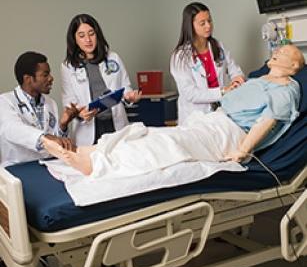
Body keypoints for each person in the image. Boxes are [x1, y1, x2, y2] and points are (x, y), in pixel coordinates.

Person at [42, 45, 305, 176]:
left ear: (294, 65)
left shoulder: (286, 89)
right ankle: (88, 151)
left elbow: (268, 120)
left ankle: (96, 164)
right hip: (213, 120)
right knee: (147, 133)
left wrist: (243, 151)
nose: (277, 51)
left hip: (231, 132)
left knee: (170, 143)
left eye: (284, 52)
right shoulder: (260, 80)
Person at [61, 13, 141, 146]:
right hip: (88, 129)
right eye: (81, 35)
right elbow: (68, 100)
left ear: (97, 34)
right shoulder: (68, 66)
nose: (88, 39)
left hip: (115, 124)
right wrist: (80, 114)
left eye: (91, 33)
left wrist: (129, 96)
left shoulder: (113, 58)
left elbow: (125, 86)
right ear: (74, 39)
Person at [170, 2, 245, 125]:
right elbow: (189, 93)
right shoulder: (180, 57)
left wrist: (236, 82)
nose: (208, 26)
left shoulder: (218, 47)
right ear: (190, 26)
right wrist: (222, 91)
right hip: (195, 117)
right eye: (202, 23)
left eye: (209, 21)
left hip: (222, 111)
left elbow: (235, 70)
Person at [0, 51, 79, 167]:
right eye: (45, 74)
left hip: (48, 165)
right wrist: (44, 138)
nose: (51, 78)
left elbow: (56, 142)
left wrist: (63, 125)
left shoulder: (50, 103)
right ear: (28, 79)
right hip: (18, 167)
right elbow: (12, 129)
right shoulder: (5, 101)